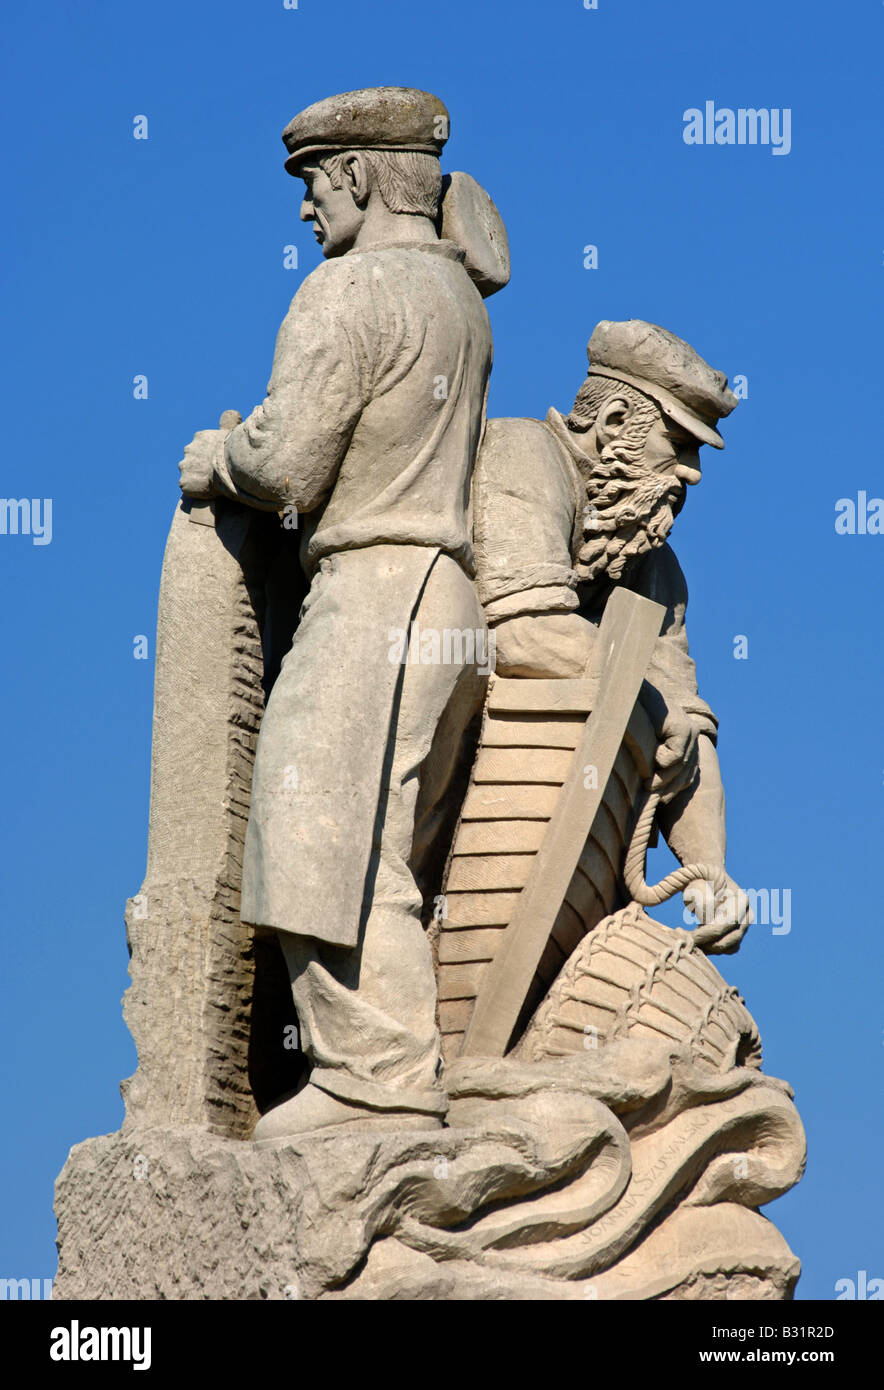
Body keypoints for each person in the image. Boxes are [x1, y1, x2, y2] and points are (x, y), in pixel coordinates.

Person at [178, 88, 493, 1137]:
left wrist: (218, 456)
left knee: (314, 826)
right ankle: (383, 1072)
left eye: (313, 185)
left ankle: (376, 1081)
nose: (306, 212)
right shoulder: (455, 296)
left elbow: (287, 460)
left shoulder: (346, 291)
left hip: (371, 587)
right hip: (445, 595)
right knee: (373, 843)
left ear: (357, 174)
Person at [472, 319, 751, 952]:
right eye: (677, 445)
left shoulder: (656, 566)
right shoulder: (522, 455)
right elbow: (522, 635)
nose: (692, 474)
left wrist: (709, 870)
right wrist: (655, 704)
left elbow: (689, 725)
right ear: (616, 420)